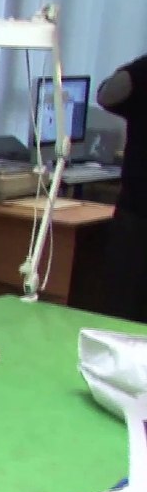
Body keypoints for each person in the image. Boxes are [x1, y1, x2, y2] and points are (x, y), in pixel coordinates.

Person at [96, 53, 147, 322]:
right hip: (137, 217)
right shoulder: (141, 74)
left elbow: (107, 94)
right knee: (122, 315)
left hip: (136, 217)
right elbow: (107, 95)